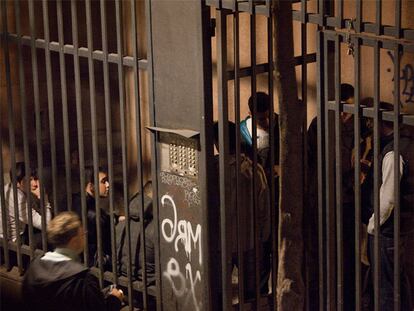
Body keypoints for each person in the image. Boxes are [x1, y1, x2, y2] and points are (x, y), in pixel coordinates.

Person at [306, 83, 358, 310]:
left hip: (331, 198)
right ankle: (335, 298)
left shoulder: (321, 123)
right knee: (335, 252)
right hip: (334, 198)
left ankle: (332, 298)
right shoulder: (327, 125)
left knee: (335, 252)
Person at [363, 106, 414, 310]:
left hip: (388, 229)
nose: (368, 126)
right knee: (399, 282)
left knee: (386, 289)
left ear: (379, 123)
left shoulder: (393, 151)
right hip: (403, 225)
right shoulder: (408, 144)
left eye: (371, 122)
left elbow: (389, 198)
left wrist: (374, 225)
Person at [214, 121, 271, 300]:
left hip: (220, 241)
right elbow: (264, 208)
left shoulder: (211, 169)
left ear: (216, 143)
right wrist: (264, 236)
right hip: (249, 240)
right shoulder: (254, 170)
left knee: (217, 292)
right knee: (253, 294)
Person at [22, 211, 124, 311]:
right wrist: (115, 299)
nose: (85, 236)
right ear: (74, 241)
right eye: (83, 234)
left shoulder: (34, 267)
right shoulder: (81, 280)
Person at [0, 162, 51, 243]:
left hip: (22, 228)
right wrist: (44, 199)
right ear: (17, 183)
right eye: (29, 180)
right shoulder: (17, 200)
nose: (35, 184)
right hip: (12, 241)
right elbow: (47, 225)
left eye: (35, 178)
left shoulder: (15, 188)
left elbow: (37, 211)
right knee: (51, 236)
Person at [71, 166, 112, 269]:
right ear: (91, 186)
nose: (108, 185)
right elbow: (96, 219)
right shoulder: (81, 204)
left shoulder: (84, 200)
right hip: (88, 264)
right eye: (103, 181)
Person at [240, 92, 280, 177]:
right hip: (255, 184)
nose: (267, 122)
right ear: (250, 114)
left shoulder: (284, 126)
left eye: (270, 116)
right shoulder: (242, 131)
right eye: (261, 119)